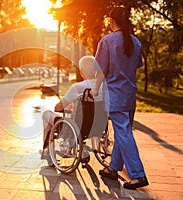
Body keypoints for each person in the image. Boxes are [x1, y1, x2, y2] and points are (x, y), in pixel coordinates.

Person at [92, 7, 149, 190]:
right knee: (122, 131)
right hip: (129, 94)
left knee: (124, 133)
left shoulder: (107, 41)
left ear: (112, 20)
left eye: (109, 20)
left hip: (115, 95)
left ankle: (137, 175)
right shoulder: (136, 42)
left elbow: (101, 70)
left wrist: (95, 89)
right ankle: (113, 168)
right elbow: (136, 66)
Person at [41, 55, 105, 161]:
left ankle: (47, 150)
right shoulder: (104, 87)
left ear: (81, 71)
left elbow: (58, 108)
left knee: (46, 114)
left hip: (76, 128)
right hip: (98, 127)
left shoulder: (78, 87)